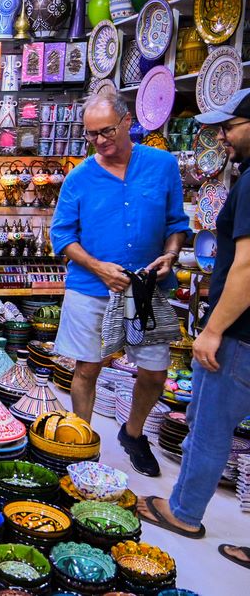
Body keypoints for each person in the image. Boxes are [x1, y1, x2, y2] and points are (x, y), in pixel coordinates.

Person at [50, 92, 191, 476]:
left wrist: (170, 254)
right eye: (91, 134)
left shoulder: (162, 165)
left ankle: (133, 433)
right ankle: (82, 443)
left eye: (107, 131)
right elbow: (62, 236)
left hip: (145, 288)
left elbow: (176, 224)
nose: (99, 141)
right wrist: (98, 267)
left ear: (128, 122)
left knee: (155, 372)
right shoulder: (79, 177)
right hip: (91, 286)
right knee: (87, 368)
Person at [137, 89, 250, 564]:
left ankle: (183, 512)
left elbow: (246, 266)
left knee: (208, 425)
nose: (222, 136)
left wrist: (214, 329)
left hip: (240, 332)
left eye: (230, 127)